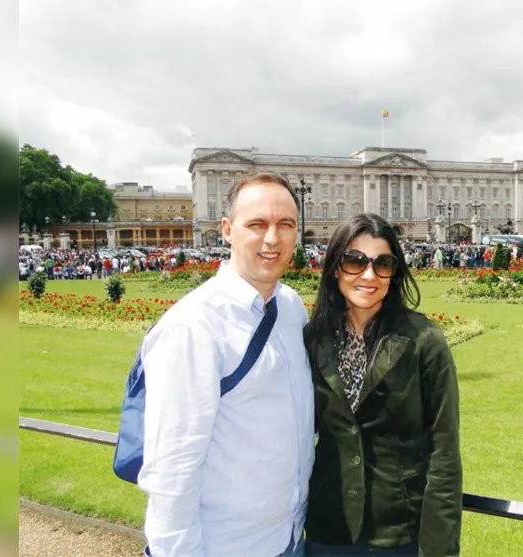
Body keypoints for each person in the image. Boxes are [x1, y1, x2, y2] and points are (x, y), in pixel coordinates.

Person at [138, 171, 314, 557]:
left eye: (285, 224)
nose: (273, 238)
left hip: (289, 537)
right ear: (226, 230)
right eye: (257, 224)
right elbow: (172, 467)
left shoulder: (290, 307)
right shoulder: (193, 326)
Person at [303, 213, 462, 556]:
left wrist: (440, 550)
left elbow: (444, 455)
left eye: (383, 263)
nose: (369, 275)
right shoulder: (313, 338)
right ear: (334, 267)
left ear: (395, 272)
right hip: (328, 528)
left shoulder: (423, 340)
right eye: (354, 261)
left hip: (398, 531)